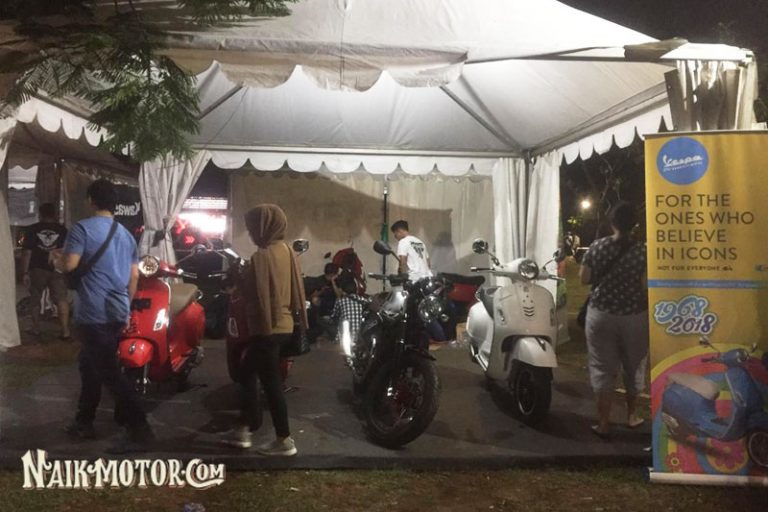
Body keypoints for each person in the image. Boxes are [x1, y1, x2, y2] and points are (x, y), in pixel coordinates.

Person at [51, 179, 153, 453]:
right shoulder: (125, 234)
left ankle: (139, 428)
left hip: (93, 311)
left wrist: (57, 259)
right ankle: (84, 421)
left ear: (91, 200)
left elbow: (70, 265)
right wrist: (126, 306)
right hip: (117, 310)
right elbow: (134, 276)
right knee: (89, 364)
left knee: (109, 372)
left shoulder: (82, 228)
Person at [222, 204, 307, 456]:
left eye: (252, 228)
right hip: (285, 325)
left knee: (269, 383)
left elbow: (252, 294)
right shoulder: (287, 251)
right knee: (250, 372)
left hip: (267, 327)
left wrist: (239, 274)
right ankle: (244, 428)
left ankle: (283, 440)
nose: (250, 234)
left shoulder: (262, 257)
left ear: (263, 227)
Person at [579, 201, 648, 439]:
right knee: (634, 366)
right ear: (635, 224)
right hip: (634, 316)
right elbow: (645, 286)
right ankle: (632, 416)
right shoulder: (643, 251)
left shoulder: (597, 247)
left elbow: (584, 278)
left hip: (601, 315)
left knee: (602, 368)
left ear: (612, 222)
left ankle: (604, 422)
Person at [20, 202, 70, 339]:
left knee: (35, 298)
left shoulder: (33, 229)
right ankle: (65, 331)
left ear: (40, 214)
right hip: (57, 269)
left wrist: (25, 272)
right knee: (61, 299)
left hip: (37, 269)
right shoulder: (63, 230)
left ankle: (36, 328)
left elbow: (27, 252)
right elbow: (67, 251)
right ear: (54, 214)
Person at [329, 277, 366, 346]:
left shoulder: (340, 301)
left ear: (343, 292)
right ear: (356, 290)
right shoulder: (363, 300)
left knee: (324, 321)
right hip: (360, 336)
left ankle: (336, 338)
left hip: (345, 336)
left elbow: (334, 315)